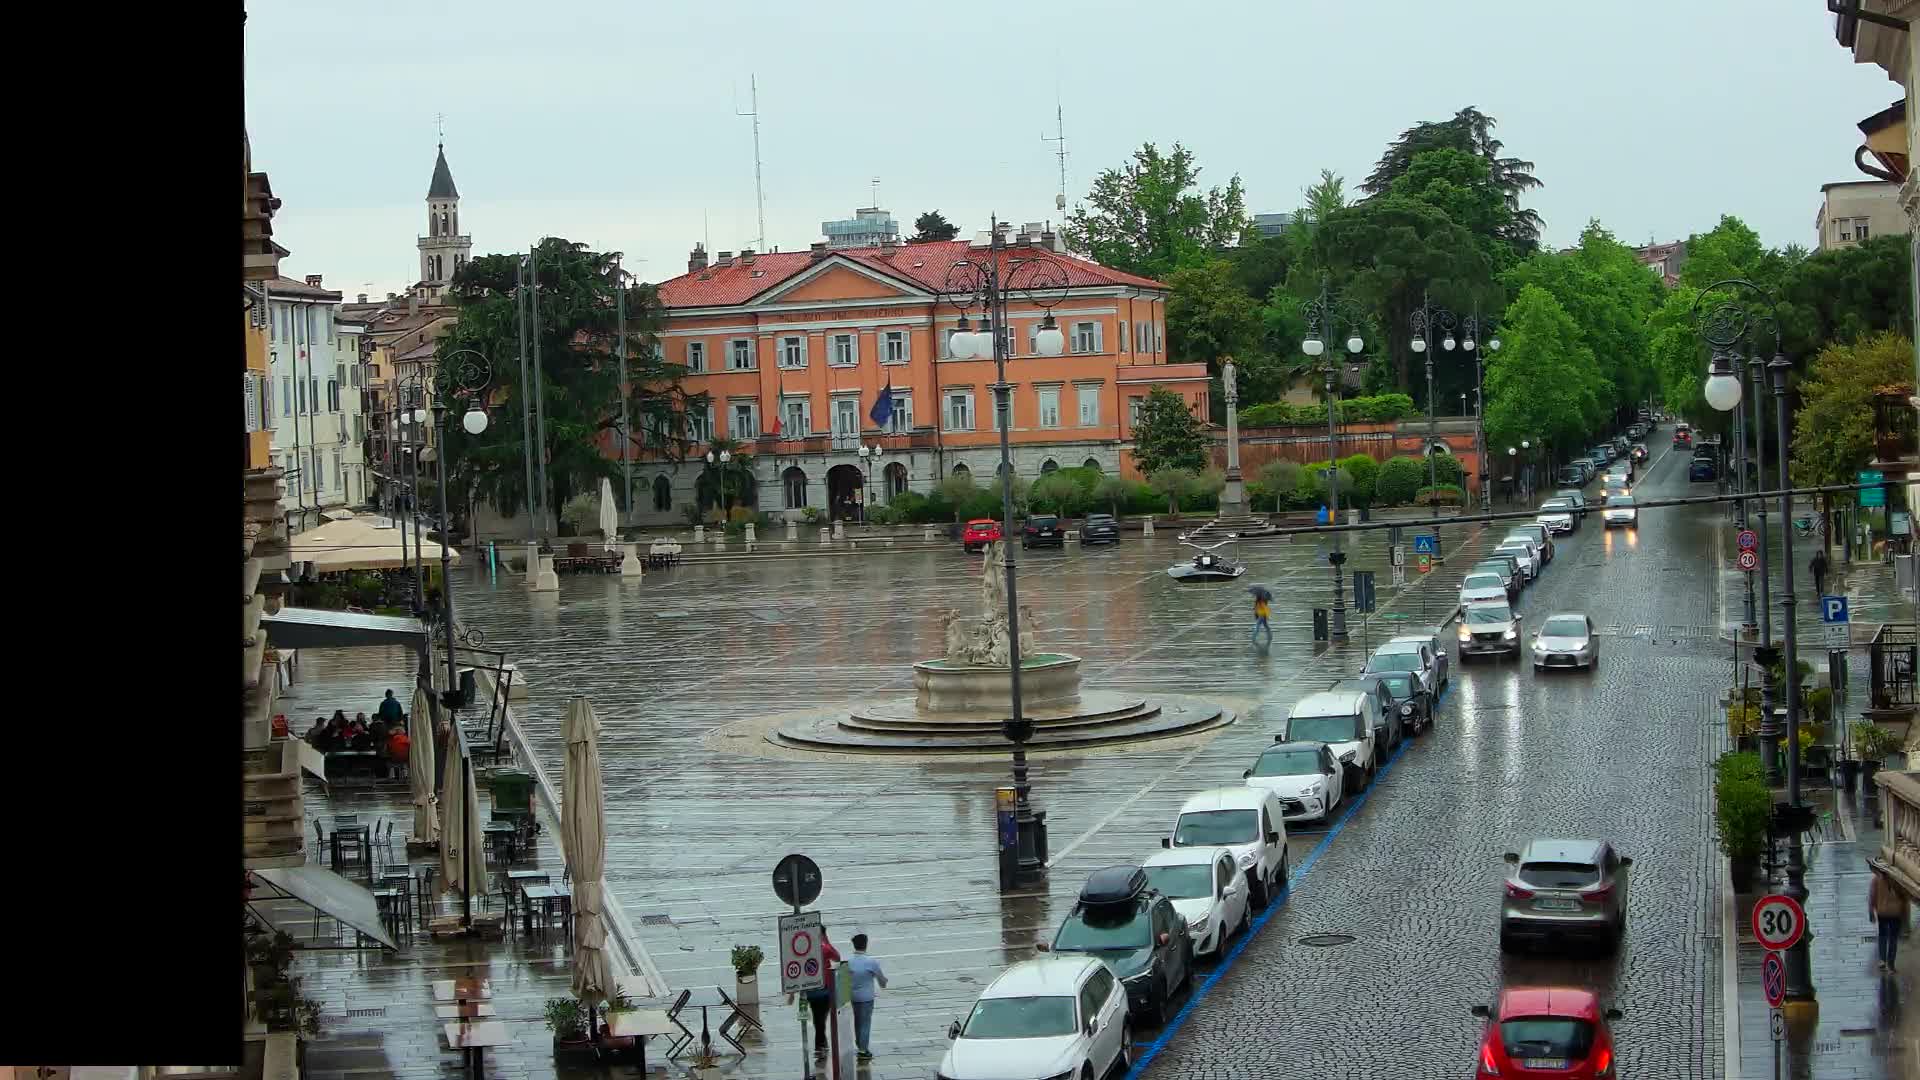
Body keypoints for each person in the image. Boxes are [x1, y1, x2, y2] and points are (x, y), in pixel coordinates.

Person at [844, 933, 888, 1060]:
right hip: (867, 998)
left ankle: (860, 1045)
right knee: (865, 1023)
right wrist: (883, 983)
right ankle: (863, 1050)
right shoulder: (870, 962)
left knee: (858, 1022)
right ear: (866, 944)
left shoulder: (849, 962)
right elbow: (881, 979)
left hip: (853, 997)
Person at [802, 930, 843, 1054]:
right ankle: (820, 1044)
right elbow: (837, 957)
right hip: (824, 990)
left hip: (810, 990)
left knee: (818, 1018)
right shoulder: (824, 949)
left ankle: (821, 1043)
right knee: (821, 1018)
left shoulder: (805, 950)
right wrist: (827, 940)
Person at [1869, 858, 1911, 972]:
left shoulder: (1876, 880)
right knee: (1893, 939)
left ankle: (1882, 960)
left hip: (1882, 912)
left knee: (1882, 936)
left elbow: (1872, 897)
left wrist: (1871, 912)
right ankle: (1891, 964)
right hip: (1895, 913)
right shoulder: (1899, 881)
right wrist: (1906, 917)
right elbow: (1905, 900)